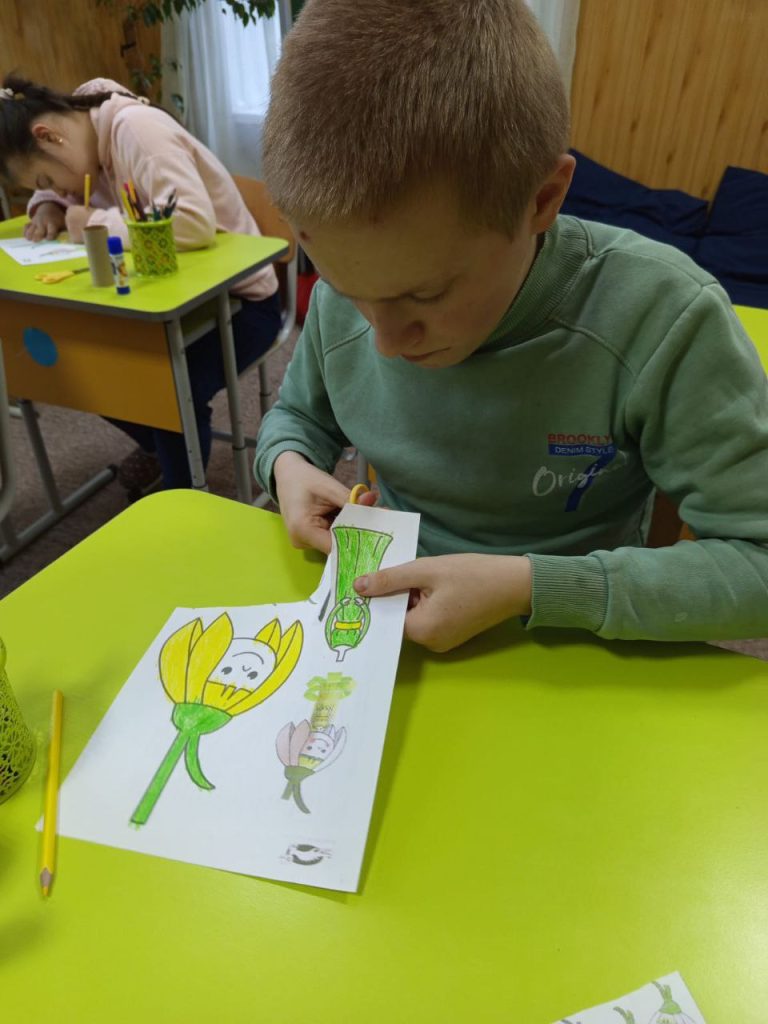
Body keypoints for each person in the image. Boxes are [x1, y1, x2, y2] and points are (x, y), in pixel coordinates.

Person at [254, 0, 768, 652]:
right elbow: (296, 417)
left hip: (575, 641)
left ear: (544, 200)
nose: (385, 341)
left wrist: (532, 586)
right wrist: (287, 465)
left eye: (426, 294)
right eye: (348, 290)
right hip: (389, 635)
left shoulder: (663, 316)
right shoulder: (357, 294)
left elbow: (758, 563)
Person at [0, 75, 281, 492]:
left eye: (46, 181)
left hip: (239, 303)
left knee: (166, 391)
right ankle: (163, 447)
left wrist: (97, 222)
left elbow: (193, 223)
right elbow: (70, 196)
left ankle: (181, 499)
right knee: (88, 372)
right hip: (163, 301)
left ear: (49, 136)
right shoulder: (83, 136)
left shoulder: (137, 130)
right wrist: (48, 206)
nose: (58, 189)